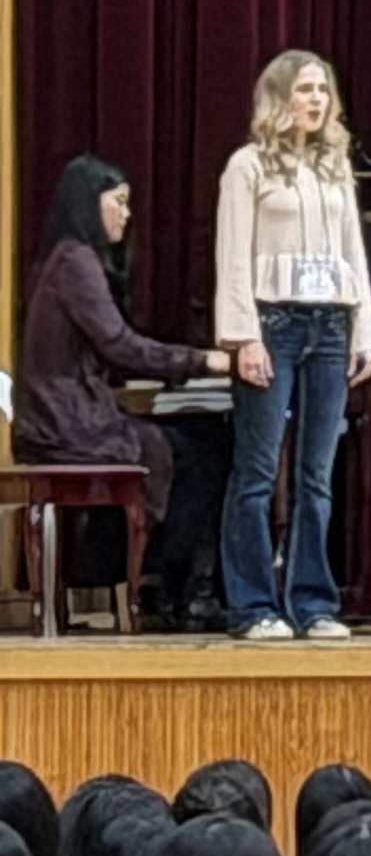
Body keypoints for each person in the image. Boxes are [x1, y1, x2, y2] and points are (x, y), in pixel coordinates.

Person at [213, 49, 371, 647]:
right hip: (273, 322)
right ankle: (254, 603)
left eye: (322, 90)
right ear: (280, 99)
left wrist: (366, 332)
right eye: (305, 90)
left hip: (331, 325)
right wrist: (243, 338)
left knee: (318, 475)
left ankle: (312, 601)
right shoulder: (248, 166)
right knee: (259, 472)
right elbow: (232, 257)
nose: (316, 100)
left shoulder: (335, 167)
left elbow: (353, 250)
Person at [18, 156, 230, 631]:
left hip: (64, 416)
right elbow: (118, 344)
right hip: (67, 425)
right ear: (87, 205)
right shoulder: (75, 261)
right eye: (118, 202)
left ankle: (168, 588)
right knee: (205, 451)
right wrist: (199, 360)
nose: (126, 214)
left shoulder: (64, 259)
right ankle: (179, 593)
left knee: (190, 444)